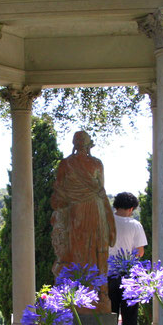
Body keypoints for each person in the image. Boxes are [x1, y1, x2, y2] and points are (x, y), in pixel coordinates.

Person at [50, 131, 117, 310]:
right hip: (92, 209)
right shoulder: (95, 164)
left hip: (79, 210)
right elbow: (101, 191)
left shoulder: (66, 164)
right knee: (94, 250)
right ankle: (95, 293)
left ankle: (84, 293)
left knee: (80, 249)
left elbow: (58, 190)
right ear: (88, 145)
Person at [107, 192, 147, 325]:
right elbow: (140, 252)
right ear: (131, 208)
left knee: (110, 314)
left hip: (109, 273)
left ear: (116, 205)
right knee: (130, 316)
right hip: (129, 275)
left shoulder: (106, 222)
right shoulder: (135, 225)